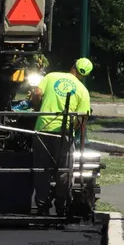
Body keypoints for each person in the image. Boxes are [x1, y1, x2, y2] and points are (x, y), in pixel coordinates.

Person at [29, 57, 92, 216]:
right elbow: (82, 118)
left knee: (41, 169)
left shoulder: (51, 76)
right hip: (63, 134)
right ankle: (61, 205)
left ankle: (42, 206)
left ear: (73, 66)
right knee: (64, 171)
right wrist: (72, 130)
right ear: (84, 75)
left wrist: (37, 107)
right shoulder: (83, 90)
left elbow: (36, 92)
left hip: (42, 129)